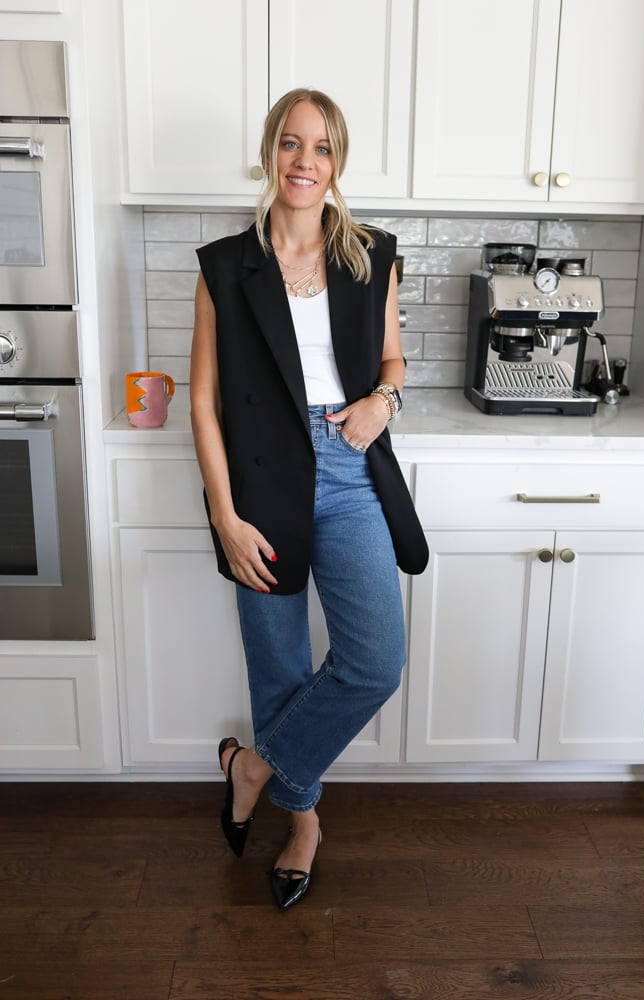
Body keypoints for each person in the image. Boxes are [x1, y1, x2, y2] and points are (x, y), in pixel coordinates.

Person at [190, 88, 428, 911]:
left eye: (321, 148)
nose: (303, 161)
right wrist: (224, 516)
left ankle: (251, 768)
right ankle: (302, 828)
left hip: (351, 470)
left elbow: (394, 364)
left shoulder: (369, 255)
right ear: (269, 154)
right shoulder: (226, 265)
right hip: (261, 486)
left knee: (374, 662)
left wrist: (381, 403)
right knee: (281, 672)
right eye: (290, 144)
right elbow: (202, 401)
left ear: (337, 163)